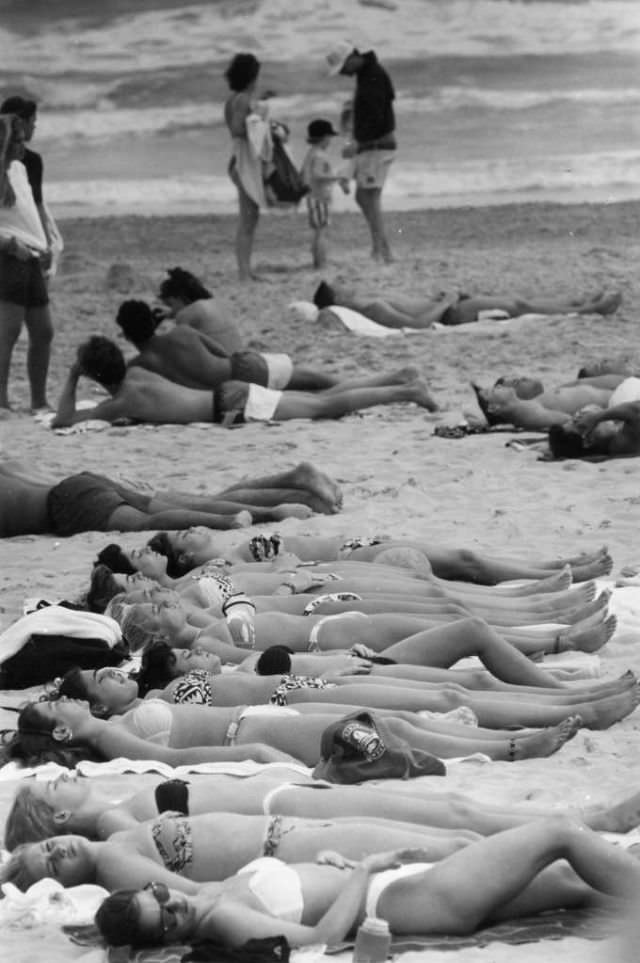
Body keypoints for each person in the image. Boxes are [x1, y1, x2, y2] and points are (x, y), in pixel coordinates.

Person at [93, 816, 640, 949]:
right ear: (165, 940)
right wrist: (361, 870)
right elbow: (320, 939)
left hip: (406, 888)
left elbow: (302, 894)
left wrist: (331, 866)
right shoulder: (222, 919)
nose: (171, 908)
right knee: (558, 835)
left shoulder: (207, 893)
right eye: (163, 924)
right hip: (416, 899)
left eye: (157, 898)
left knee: (572, 882)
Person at [9, 764, 640, 849]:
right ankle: (594, 825)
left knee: (451, 811)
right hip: (291, 811)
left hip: (289, 800)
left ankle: (583, 825)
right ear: (60, 819)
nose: (59, 776)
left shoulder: (118, 798)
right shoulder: (117, 821)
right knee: (451, 813)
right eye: (51, 788)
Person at [6, 696, 584, 771]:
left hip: (259, 719)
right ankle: (515, 748)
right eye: (60, 702)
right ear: (61, 726)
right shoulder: (112, 740)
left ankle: (512, 743)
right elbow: (174, 760)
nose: (70, 696)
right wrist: (258, 753)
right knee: (382, 729)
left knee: (390, 726)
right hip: (253, 733)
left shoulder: (109, 722)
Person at [1, 809, 482, 892]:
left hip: (288, 833)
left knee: (441, 842)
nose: (59, 849)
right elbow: (193, 890)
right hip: (287, 843)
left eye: (48, 845)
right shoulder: (112, 862)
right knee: (447, 846)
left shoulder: (113, 842)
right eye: (53, 864)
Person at [51, 336, 438, 428]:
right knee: (321, 398)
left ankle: (407, 391)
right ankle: (396, 377)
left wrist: (71, 377)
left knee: (324, 407)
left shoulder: (120, 403)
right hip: (228, 397)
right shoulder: (137, 375)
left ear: (94, 376)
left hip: (229, 406)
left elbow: (62, 421)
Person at [151, 526, 612, 584]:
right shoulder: (219, 567)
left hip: (358, 549)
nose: (189, 531)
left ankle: (558, 567)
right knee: (463, 564)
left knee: (464, 563)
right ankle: (563, 572)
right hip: (354, 561)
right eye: (181, 540)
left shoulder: (232, 545)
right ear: (186, 559)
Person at [0, 459, 342, 537]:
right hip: (75, 484)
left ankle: (249, 517)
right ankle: (287, 490)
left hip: (67, 506)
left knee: (147, 523)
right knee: (194, 502)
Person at [117, 298, 364, 391]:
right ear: (153, 321)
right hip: (241, 370)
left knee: (309, 385)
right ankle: (354, 385)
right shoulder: (181, 333)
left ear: (127, 336)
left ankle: (354, 387)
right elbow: (223, 353)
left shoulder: (140, 366)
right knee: (313, 380)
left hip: (227, 393)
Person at [0, 112, 53, 413]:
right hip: (10, 256)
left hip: (32, 256)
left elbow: (29, 212)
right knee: (7, 333)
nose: (23, 146)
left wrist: (44, 244)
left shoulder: (19, 169)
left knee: (43, 330)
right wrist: (9, 244)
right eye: (17, 141)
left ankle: (38, 401)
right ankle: (1, 401)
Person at [313, 279, 623, 330]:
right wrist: (445, 301)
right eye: (342, 288)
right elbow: (419, 326)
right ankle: (589, 309)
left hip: (450, 305)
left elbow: (416, 309)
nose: (348, 286)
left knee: (520, 300)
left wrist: (439, 297)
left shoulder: (369, 303)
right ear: (338, 300)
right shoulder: (372, 310)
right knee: (519, 304)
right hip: (453, 315)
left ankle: (581, 302)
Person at [326, 41, 396, 262]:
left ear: (351, 59)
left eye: (343, 69)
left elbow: (377, 118)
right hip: (376, 145)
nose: (344, 74)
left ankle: (381, 250)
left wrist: (359, 143)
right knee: (365, 196)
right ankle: (381, 246)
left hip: (376, 146)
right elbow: (385, 103)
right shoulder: (368, 74)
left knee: (369, 197)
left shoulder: (371, 76)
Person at [224, 53, 272, 281]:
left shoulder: (233, 99)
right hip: (243, 163)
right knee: (248, 218)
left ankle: (246, 270)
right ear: (251, 77)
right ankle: (244, 272)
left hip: (238, 160)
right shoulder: (242, 100)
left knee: (250, 217)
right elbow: (237, 129)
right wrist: (260, 122)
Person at [471, 373, 629, 429]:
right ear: (494, 408)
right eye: (494, 391)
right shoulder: (529, 414)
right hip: (619, 401)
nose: (499, 387)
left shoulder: (529, 406)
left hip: (617, 397)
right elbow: (568, 421)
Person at [155, 266, 243, 354]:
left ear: (179, 297)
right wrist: (171, 313)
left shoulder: (184, 315)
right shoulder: (216, 303)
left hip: (219, 362)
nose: (172, 308)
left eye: (170, 304)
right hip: (239, 358)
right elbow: (194, 312)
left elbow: (179, 346)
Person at [300, 119, 348, 269]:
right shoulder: (320, 155)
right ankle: (321, 263)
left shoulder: (311, 153)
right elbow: (318, 174)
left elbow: (305, 173)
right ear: (324, 137)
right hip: (320, 198)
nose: (330, 141)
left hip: (312, 197)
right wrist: (337, 177)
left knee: (317, 231)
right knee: (322, 232)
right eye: (329, 137)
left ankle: (317, 261)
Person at [549, 401, 640, 460]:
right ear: (589, 441)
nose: (582, 415)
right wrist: (597, 417)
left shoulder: (614, 434)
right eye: (577, 422)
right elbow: (637, 410)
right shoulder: (621, 444)